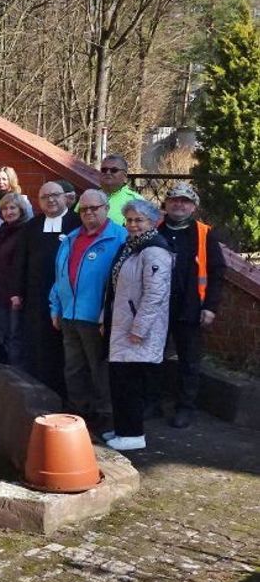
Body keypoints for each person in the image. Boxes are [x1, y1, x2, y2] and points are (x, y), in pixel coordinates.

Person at [49, 188, 127, 436]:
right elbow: (59, 276)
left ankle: (105, 418)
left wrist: (109, 314)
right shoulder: (71, 238)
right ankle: (79, 415)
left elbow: (121, 283)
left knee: (99, 369)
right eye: (84, 209)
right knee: (73, 368)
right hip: (70, 315)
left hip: (97, 318)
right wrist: (56, 307)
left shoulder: (120, 238)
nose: (89, 213)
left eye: (94, 208)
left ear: (106, 208)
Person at [103, 200, 172, 451]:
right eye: (129, 220)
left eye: (139, 220)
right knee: (119, 381)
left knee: (130, 384)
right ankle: (122, 429)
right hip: (122, 324)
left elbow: (155, 294)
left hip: (136, 330)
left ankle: (133, 434)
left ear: (153, 222)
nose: (133, 225)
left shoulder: (154, 251)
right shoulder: (130, 247)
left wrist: (138, 329)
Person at [157, 183, 226, 429]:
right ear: (166, 204)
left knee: (189, 361)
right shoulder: (154, 229)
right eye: (174, 199)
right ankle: (152, 403)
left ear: (193, 206)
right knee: (153, 358)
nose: (179, 204)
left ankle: (185, 408)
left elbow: (217, 273)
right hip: (156, 308)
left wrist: (210, 307)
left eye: (185, 201)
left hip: (190, 307)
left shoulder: (205, 234)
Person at [17, 181, 81, 395]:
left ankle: (66, 396)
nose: (51, 200)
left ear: (66, 198)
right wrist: (18, 292)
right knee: (38, 345)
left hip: (69, 298)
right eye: (45, 197)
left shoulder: (77, 224)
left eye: (55, 195)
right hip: (36, 297)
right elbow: (21, 261)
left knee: (66, 350)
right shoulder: (32, 226)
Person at [0, 192, 28, 366]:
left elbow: (23, 264)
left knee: (15, 336)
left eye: (12, 207)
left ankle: (16, 374)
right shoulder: (3, 229)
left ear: (21, 209)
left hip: (15, 294)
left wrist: (17, 292)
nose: (8, 212)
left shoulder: (26, 230)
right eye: (4, 208)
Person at [0, 166, 33, 234]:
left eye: (4, 179)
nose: (0, 182)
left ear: (11, 180)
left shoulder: (23, 201)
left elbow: (29, 223)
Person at [99, 154, 140, 224]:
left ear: (125, 176)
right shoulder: (89, 197)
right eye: (104, 170)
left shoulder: (136, 201)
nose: (108, 173)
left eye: (114, 170)